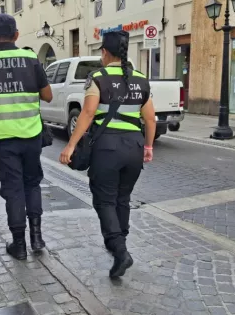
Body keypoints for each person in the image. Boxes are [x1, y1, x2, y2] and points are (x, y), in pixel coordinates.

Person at [59, 31, 156, 278]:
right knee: (122, 199)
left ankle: (120, 251)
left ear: (104, 52)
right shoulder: (141, 79)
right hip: (134, 147)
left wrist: (71, 145)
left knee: (104, 200)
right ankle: (119, 244)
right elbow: (149, 118)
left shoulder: (97, 78)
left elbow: (88, 113)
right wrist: (148, 147)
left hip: (107, 148)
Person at [0, 13, 53, 260]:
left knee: (13, 188)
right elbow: (47, 96)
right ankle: (36, 238)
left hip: (3, 139)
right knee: (32, 183)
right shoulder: (30, 58)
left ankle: (19, 245)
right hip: (31, 135)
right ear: (16, 35)